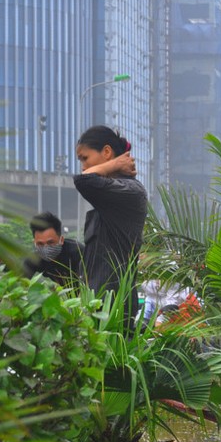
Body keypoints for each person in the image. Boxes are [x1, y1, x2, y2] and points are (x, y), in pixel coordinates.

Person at [73, 125, 148, 321]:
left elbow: (84, 181)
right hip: (98, 305)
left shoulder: (130, 190)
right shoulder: (108, 201)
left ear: (106, 152)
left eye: (85, 158)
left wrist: (113, 165)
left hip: (112, 308)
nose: (83, 166)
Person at [25, 211, 85, 286]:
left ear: (61, 240)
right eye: (40, 244)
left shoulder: (78, 253)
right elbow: (19, 283)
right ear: (34, 242)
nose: (46, 248)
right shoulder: (34, 260)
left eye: (50, 243)